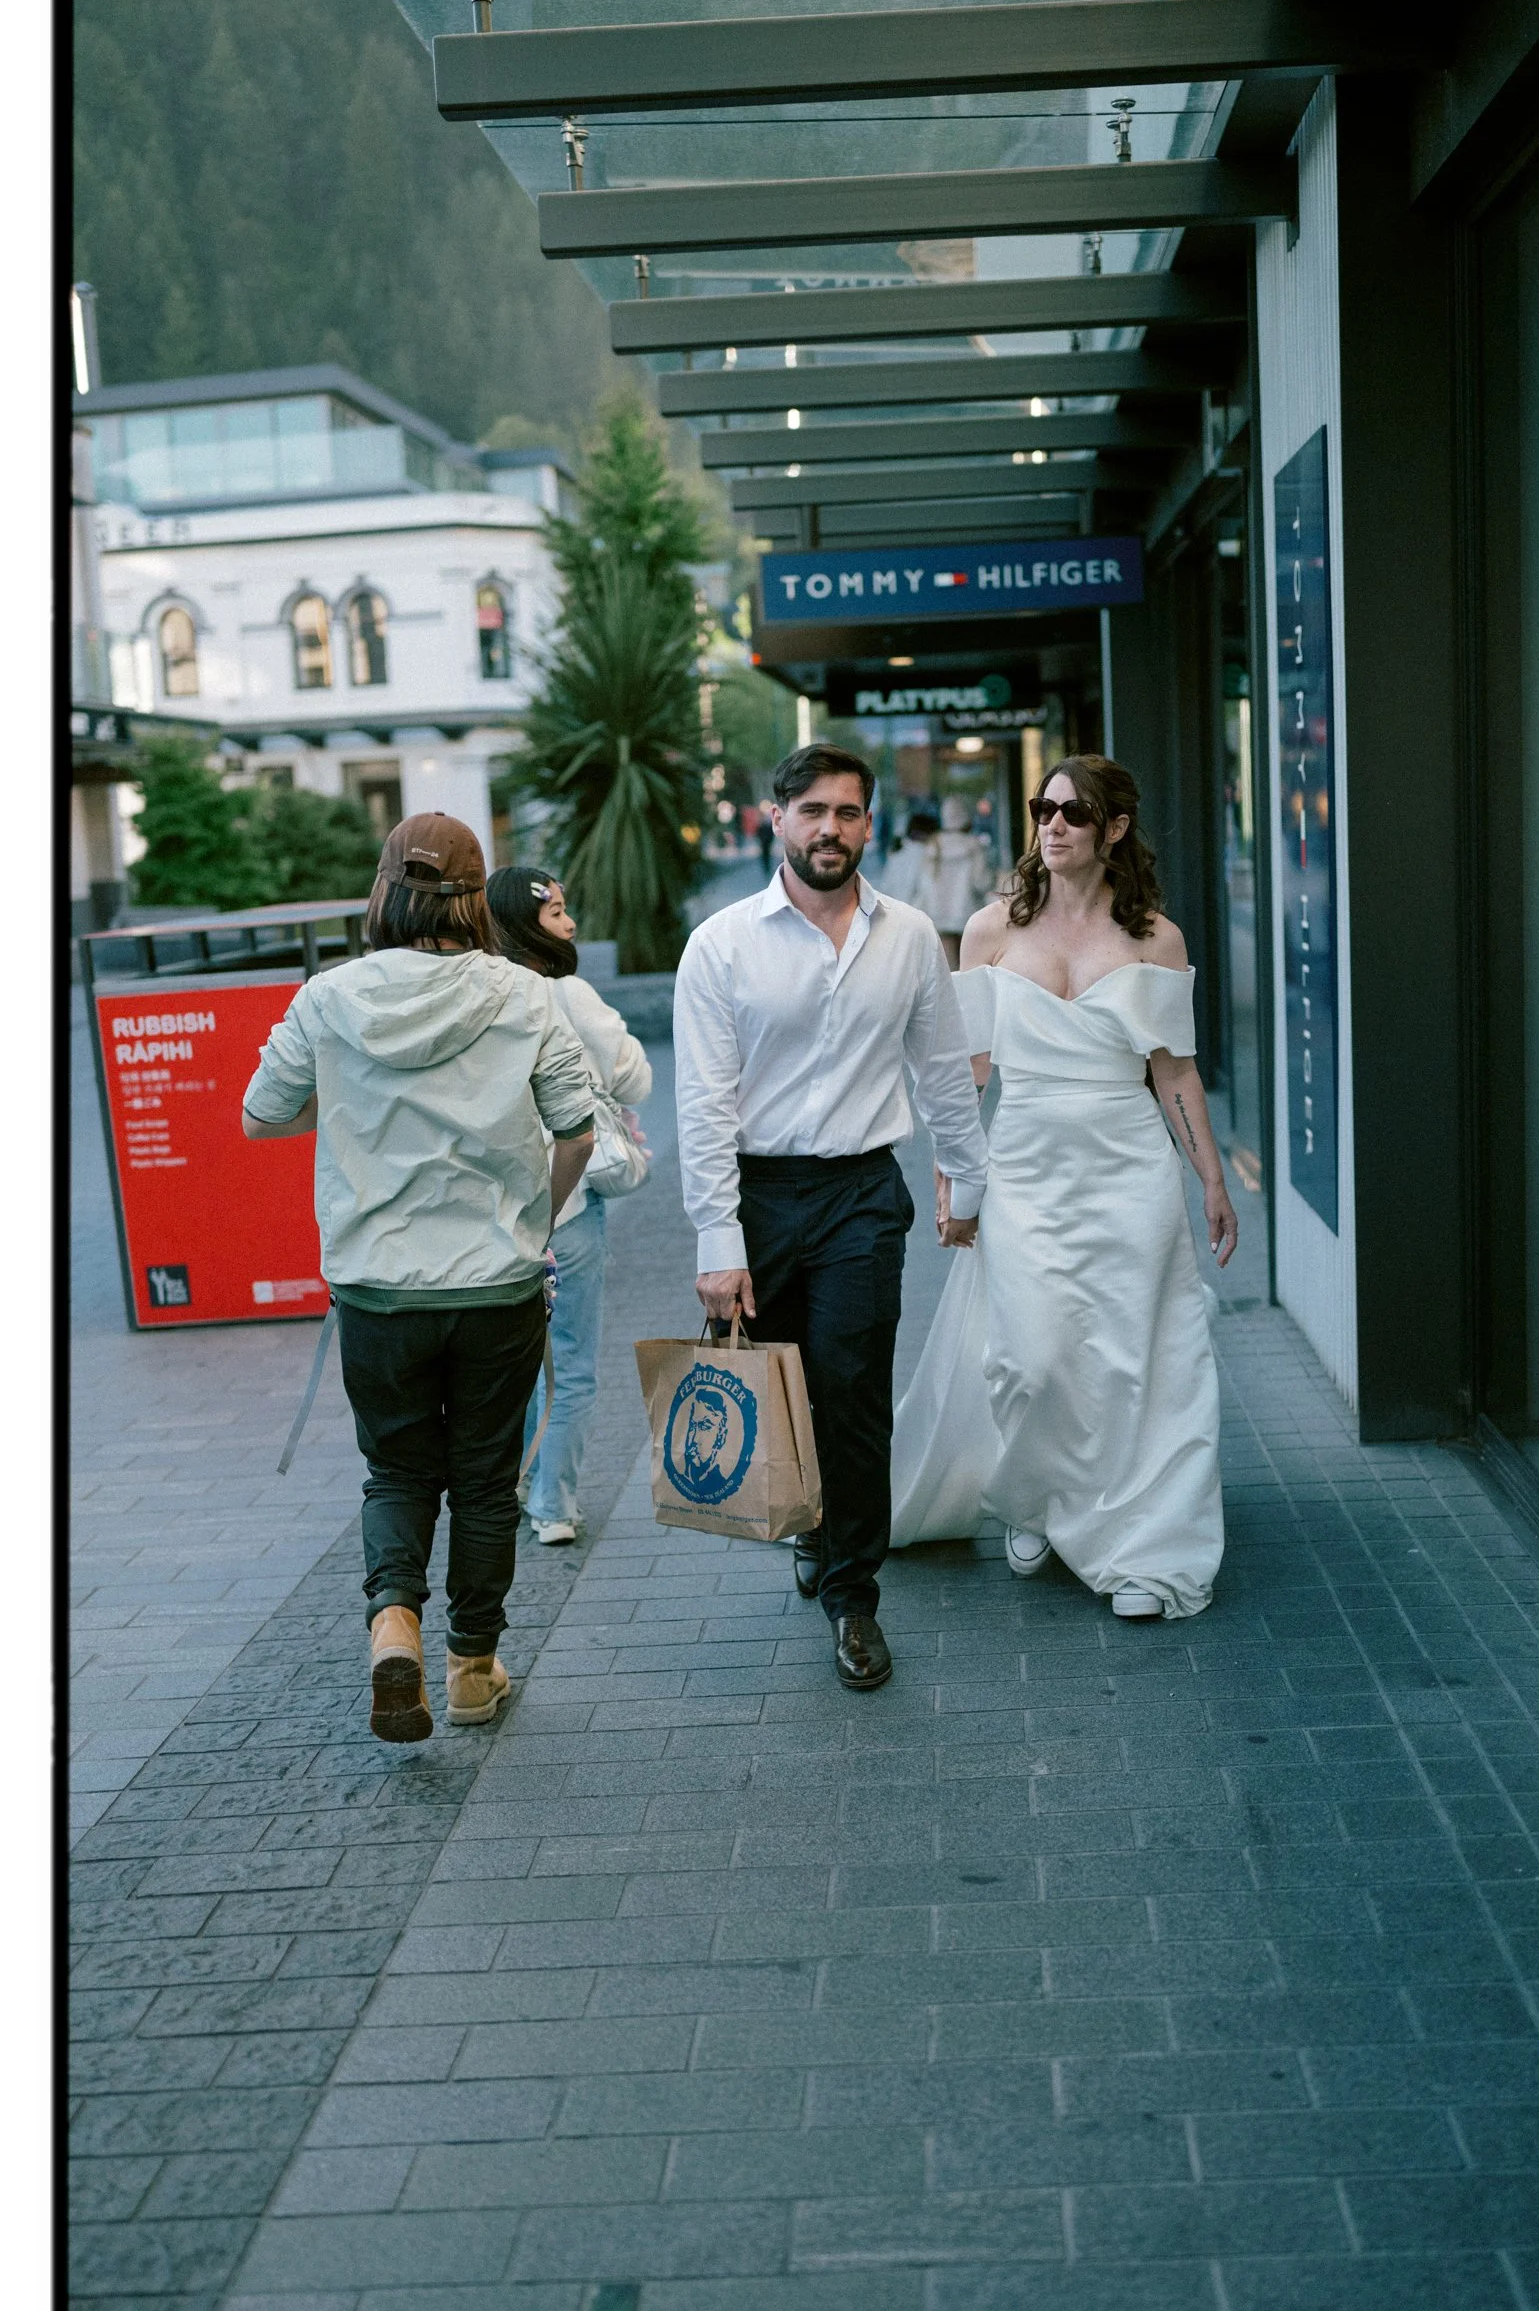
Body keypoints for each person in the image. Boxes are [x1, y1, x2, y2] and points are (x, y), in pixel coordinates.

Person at [242, 813, 601, 1741]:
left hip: (377, 1290)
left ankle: (392, 1624)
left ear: (384, 892)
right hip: (495, 1287)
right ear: (477, 898)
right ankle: (472, 1672)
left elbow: (261, 1114)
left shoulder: (328, 998)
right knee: (483, 1483)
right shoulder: (526, 996)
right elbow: (577, 1129)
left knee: (397, 1473)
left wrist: (347, 1099)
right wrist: (538, 1219)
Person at [673, 742, 990, 1691]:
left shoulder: (909, 936)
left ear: (867, 824)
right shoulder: (721, 943)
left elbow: (942, 1071)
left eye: (847, 812)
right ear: (778, 819)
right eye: (811, 811)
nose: (829, 829)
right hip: (759, 1195)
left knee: (852, 1394)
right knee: (783, 1389)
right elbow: (702, 1105)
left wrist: (969, 1183)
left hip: (861, 1193)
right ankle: (811, 1523)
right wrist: (718, 1240)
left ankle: (854, 1600)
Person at [891, 755, 1237, 1620]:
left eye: (1072, 813)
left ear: (1113, 829)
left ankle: (1141, 1544)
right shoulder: (988, 930)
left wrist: (1211, 1179)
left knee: (1133, 1362)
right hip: (1024, 1163)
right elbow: (966, 1074)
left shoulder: (1155, 938)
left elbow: (1174, 1073)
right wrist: (951, 1178)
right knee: (1032, 1357)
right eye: (1041, 809)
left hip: (1129, 1165)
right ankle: (1033, 1499)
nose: (1051, 825)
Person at [487, 865, 653, 1547]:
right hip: (569, 1204)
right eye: (555, 912)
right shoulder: (566, 992)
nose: (570, 923)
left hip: (496, 1214)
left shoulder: (479, 996)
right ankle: (553, 1506)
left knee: (516, 1365)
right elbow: (636, 1078)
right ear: (525, 925)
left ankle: (516, 1481)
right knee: (572, 1364)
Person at [911, 792, 994, 963]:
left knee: (948, 969)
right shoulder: (973, 845)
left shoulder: (933, 844)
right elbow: (982, 882)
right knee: (969, 968)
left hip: (938, 916)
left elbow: (923, 884)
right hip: (968, 917)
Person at [882, 807, 939, 904]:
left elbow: (886, 886)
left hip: (892, 906)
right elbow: (924, 891)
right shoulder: (923, 854)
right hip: (911, 908)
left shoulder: (897, 851)